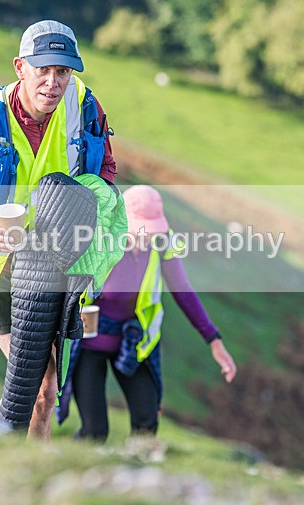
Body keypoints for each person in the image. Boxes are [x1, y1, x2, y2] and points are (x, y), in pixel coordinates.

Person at [0, 20, 117, 440]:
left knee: (47, 390)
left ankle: (29, 471)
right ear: (20, 67)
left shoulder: (85, 106)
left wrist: (89, 223)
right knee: (29, 380)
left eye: (64, 71)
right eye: (43, 69)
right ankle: (8, 466)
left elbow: (105, 173)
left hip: (51, 264)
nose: (53, 82)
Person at [57, 185, 237, 441]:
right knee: (94, 433)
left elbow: (182, 290)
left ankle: (139, 475)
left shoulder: (162, 243)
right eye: (142, 228)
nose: (148, 237)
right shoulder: (97, 238)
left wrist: (214, 340)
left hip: (134, 344)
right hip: (87, 347)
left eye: (153, 230)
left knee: (147, 423)